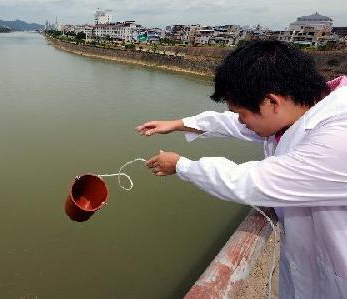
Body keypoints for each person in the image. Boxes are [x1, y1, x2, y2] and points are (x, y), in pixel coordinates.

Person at [135, 40, 347, 298]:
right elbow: (237, 124)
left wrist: (181, 165)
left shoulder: (338, 138)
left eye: (241, 112)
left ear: (271, 102)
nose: (240, 121)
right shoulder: (302, 109)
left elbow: (250, 182)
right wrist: (178, 124)